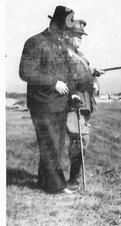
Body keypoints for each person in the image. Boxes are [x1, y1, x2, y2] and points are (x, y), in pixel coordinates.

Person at [19, 6, 77, 194]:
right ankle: (57, 188)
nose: (64, 35)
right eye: (62, 30)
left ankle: (44, 182)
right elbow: (26, 72)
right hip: (42, 103)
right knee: (49, 144)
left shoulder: (60, 44)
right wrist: (53, 83)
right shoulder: (34, 42)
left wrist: (73, 92)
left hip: (60, 104)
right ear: (52, 25)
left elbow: (67, 72)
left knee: (55, 145)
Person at [65, 19, 105, 187]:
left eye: (82, 36)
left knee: (81, 141)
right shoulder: (64, 55)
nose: (80, 38)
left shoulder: (81, 56)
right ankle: (73, 181)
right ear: (67, 35)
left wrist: (94, 75)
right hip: (72, 105)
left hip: (85, 105)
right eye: (76, 35)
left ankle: (74, 178)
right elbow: (66, 78)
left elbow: (85, 78)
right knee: (80, 139)